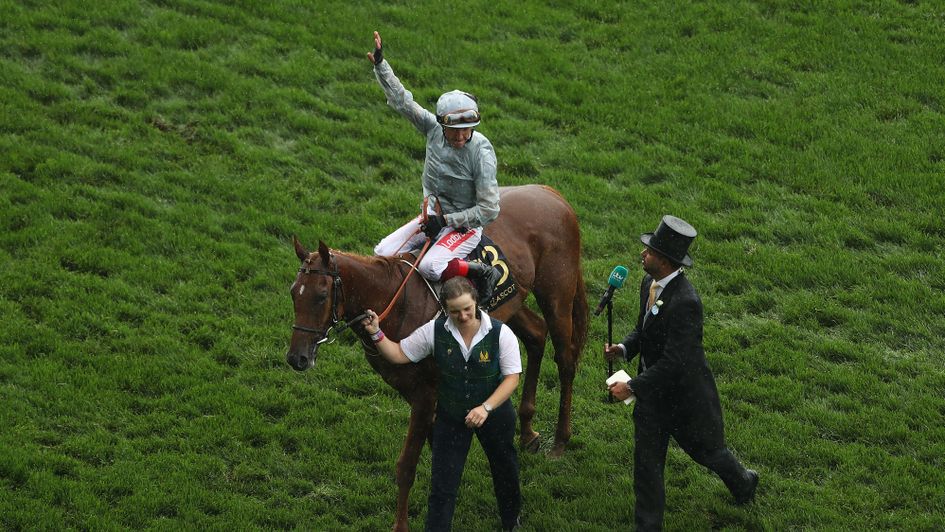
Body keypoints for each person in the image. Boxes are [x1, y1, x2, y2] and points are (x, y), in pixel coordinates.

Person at [604, 215, 758, 531]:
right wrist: (623, 348)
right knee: (647, 466)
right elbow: (643, 330)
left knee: (709, 454)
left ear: (665, 260)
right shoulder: (649, 283)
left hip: (684, 401)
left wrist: (632, 386)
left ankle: (743, 483)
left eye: (648, 252)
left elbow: (676, 362)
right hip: (652, 399)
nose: (641, 255)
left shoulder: (686, 302)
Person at [361, 277, 522, 531]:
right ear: (445, 310)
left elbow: (512, 378)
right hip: (451, 416)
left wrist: (485, 408)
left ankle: (511, 522)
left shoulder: (501, 333)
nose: (463, 316)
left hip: (495, 414)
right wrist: (376, 333)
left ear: (476, 302)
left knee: (505, 472)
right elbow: (399, 353)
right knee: (442, 486)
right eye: (455, 311)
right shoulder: (433, 331)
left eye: (467, 308)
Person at [366, 30, 503, 305]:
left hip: (464, 227)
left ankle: (481, 271)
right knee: (382, 252)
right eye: (454, 131)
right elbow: (403, 102)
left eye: (467, 130)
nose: (462, 137)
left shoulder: (482, 152)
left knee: (430, 267)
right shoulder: (431, 128)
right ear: (441, 124)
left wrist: (449, 221)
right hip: (432, 216)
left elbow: (489, 209)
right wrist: (381, 65)